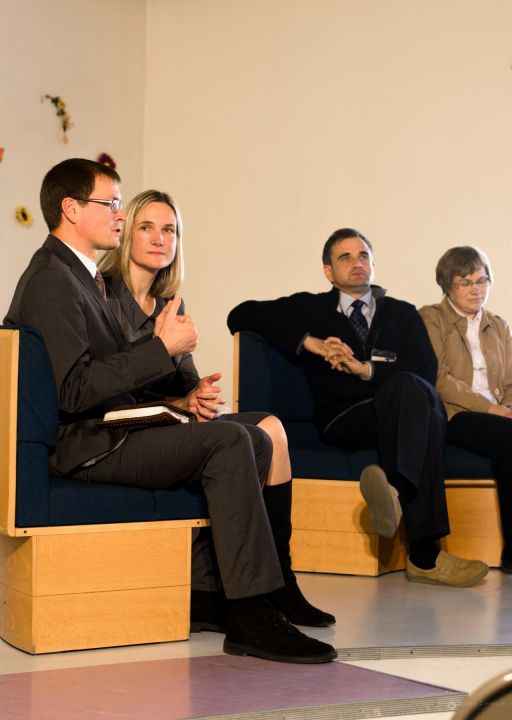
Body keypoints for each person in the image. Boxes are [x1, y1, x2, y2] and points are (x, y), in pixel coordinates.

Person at [4, 158, 337, 665]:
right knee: (230, 440)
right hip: (88, 444)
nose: (119, 214)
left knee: (254, 435)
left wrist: (179, 398)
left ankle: (216, 594)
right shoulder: (54, 279)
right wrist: (161, 350)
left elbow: (103, 376)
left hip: (111, 429)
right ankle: (250, 614)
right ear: (71, 209)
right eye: (112, 204)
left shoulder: (79, 276)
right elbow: (73, 391)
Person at [98, 188, 334, 629]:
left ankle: (283, 578)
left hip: (173, 419)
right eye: (147, 227)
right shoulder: (104, 297)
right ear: (127, 234)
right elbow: (113, 388)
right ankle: (260, 590)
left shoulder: (170, 303)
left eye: (169, 230)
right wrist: (174, 389)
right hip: (131, 428)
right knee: (237, 437)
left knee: (272, 427)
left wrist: (198, 394)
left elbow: (186, 380)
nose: (159, 238)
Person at [228, 228, 488, 587]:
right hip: (348, 417)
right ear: (328, 271)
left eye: (363, 255)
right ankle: (426, 557)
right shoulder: (309, 307)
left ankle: (396, 492)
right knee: (422, 411)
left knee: (414, 391)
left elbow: (425, 370)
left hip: (404, 410)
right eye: (345, 257)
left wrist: (367, 370)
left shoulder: (402, 313)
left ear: (373, 264)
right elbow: (240, 314)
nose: (357, 263)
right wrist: (311, 343)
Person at [420, 246, 512, 573]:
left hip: (499, 416)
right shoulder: (430, 318)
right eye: (465, 282)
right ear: (448, 285)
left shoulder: (499, 326)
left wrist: (507, 407)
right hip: (455, 414)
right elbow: (439, 379)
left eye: (482, 280)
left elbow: (511, 382)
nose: (477, 290)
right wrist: (492, 410)